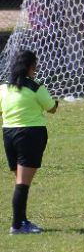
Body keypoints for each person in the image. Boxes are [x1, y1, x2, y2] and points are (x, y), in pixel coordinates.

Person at [1, 50, 58, 234]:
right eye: (35, 65)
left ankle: (23, 220)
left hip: (9, 135)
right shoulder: (35, 87)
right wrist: (55, 103)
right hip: (30, 135)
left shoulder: (3, 88)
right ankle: (17, 226)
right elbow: (51, 108)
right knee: (22, 183)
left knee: (20, 181)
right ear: (30, 66)